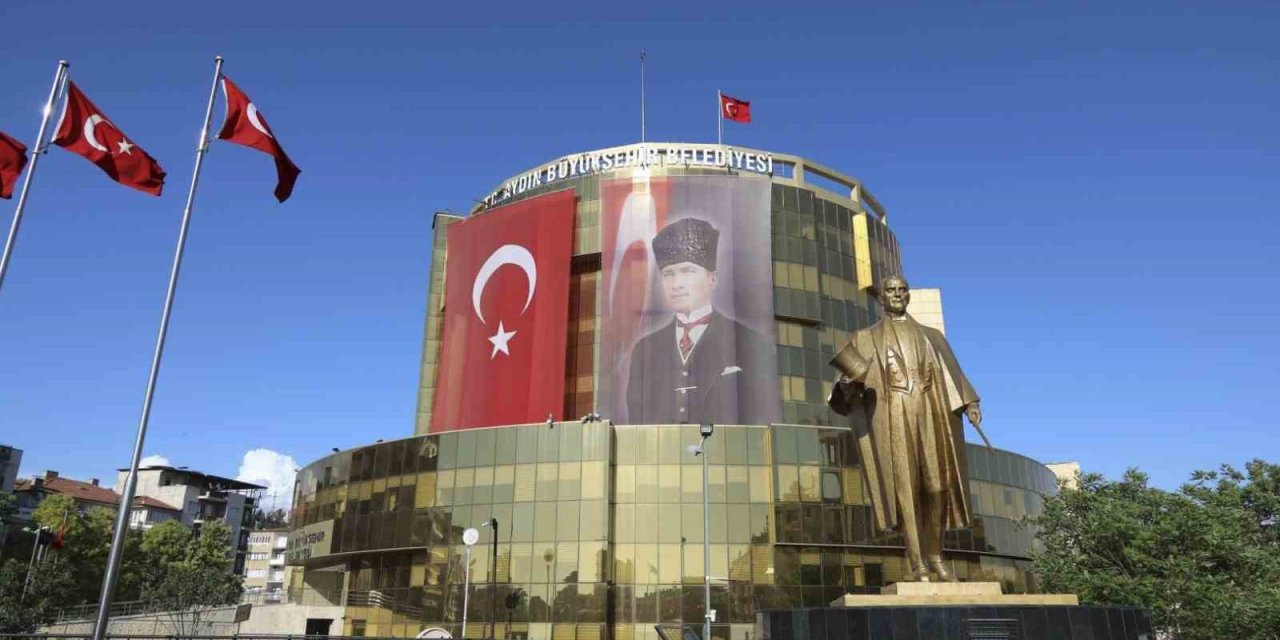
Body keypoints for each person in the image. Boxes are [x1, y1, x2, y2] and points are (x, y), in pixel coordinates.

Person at [828, 275, 983, 582]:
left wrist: (971, 403)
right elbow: (844, 392)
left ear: (908, 295)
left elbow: (953, 373)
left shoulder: (932, 336)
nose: (897, 294)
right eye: (890, 290)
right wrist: (847, 385)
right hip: (892, 414)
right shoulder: (865, 337)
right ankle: (918, 564)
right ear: (881, 298)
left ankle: (936, 555)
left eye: (902, 290)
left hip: (930, 411)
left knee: (938, 486)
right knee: (906, 490)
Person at [626, 217, 778, 425]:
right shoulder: (644, 349)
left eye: (687, 271)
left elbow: (761, 417)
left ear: (712, 279)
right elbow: (636, 421)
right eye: (668, 274)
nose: (677, 284)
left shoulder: (751, 342)